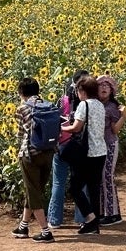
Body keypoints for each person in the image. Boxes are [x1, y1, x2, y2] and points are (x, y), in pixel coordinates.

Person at [59, 75, 107, 235]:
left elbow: (76, 127)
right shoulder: (100, 105)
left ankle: (91, 219)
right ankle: (94, 224)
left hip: (87, 153)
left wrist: (61, 128)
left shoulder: (84, 105)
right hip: (100, 152)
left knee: (75, 187)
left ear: (83, 91)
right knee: (93, 188)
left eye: (78, 90)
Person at [11, 78, 54, 242]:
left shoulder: (22, 108)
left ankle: (45, 231)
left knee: (33, 192)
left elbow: (20, 135)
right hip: (49, 152)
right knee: (35, 190)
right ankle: (23, 226)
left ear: (21, 92)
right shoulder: (49, 105)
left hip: (30, 155)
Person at [48, 70, 86, 229]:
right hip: (79, 147)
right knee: (81, 184)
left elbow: (54, 121)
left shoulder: (62, 100)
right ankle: (82, 217)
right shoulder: (86, 103)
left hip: (62, 146)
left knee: (58, 183)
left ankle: (54, 220)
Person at [97, 75, 126, 226]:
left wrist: (124, 116)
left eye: (106, 86)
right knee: (102, 179)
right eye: (101, 86)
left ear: (111, 90)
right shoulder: (96, 105)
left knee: (107, 177)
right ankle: (105, 212)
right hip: (99, 146)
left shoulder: (112, 107)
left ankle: (113, 214)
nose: (103, 88)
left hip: (110, 145)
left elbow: (115, 130)